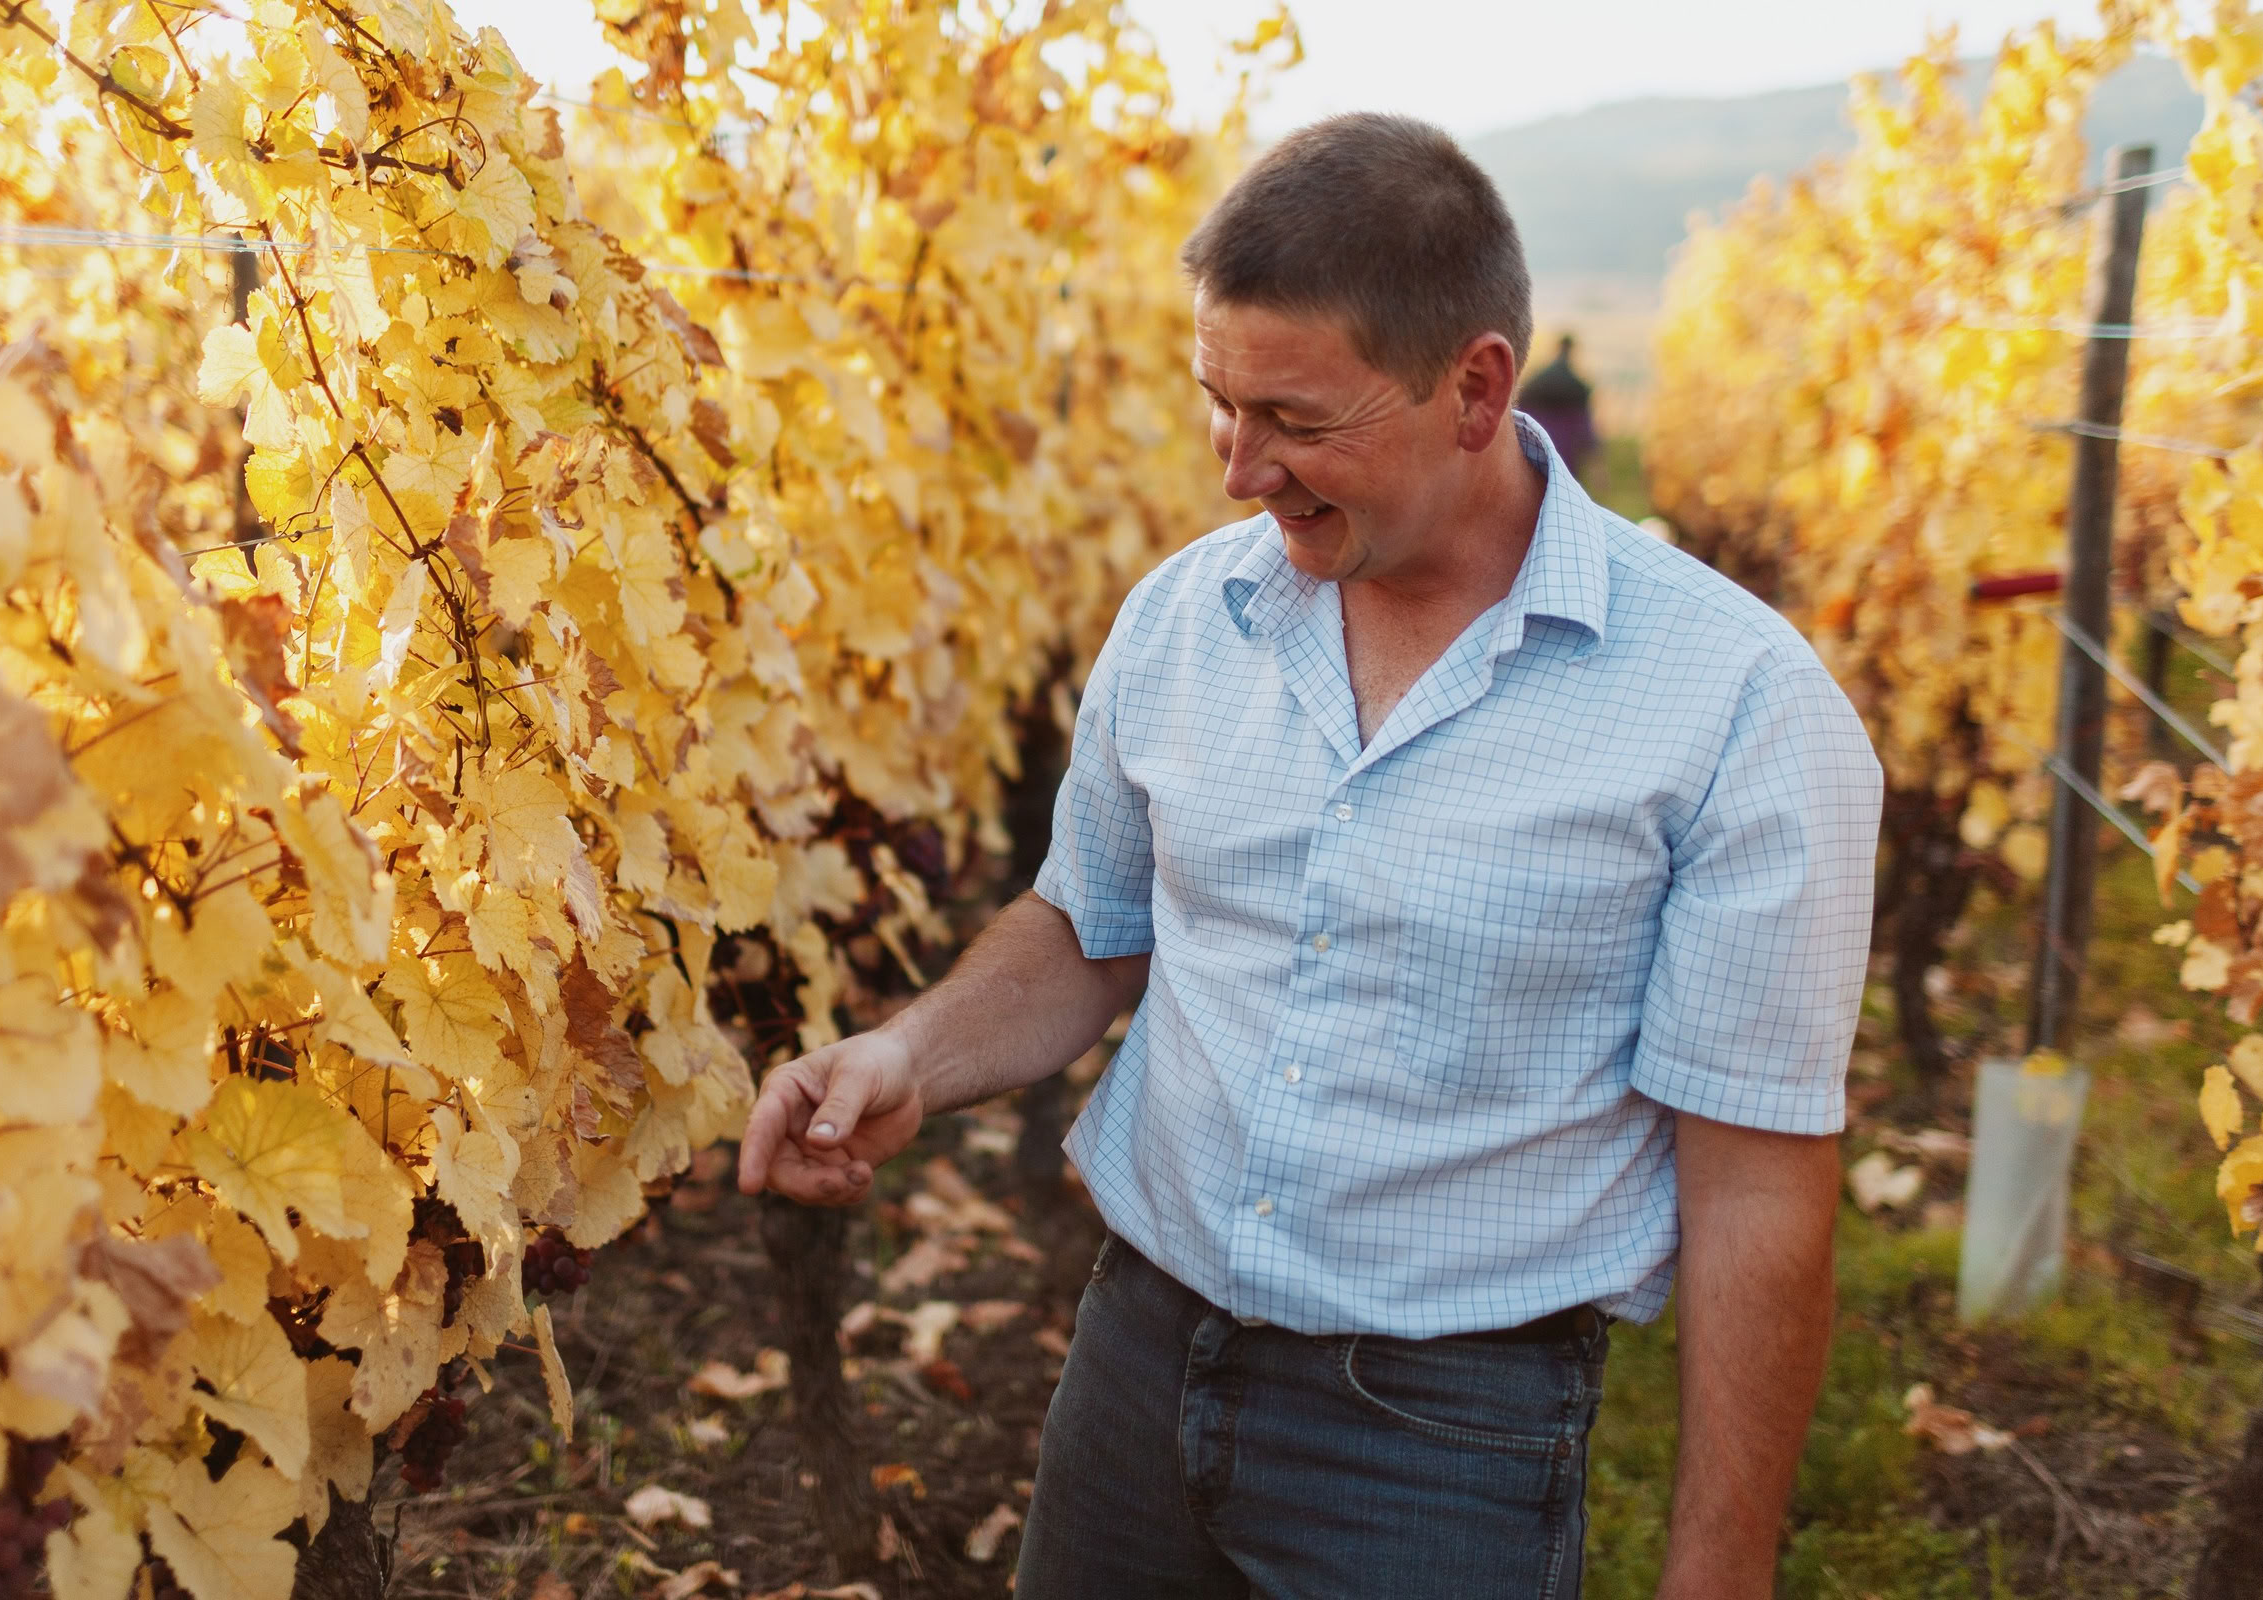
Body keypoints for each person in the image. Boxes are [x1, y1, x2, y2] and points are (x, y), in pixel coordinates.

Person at [739, 111, 1882, 1600]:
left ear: (1477, 388)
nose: (1239, 469)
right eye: (1218, 403)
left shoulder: (1737, 705)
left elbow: (1757, 1181)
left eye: (1293, 417)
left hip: (1440, 1441)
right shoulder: (1183, 616)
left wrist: (1719, 1572)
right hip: (1135, 1357)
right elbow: (1088, 925)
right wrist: (911, 1052)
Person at [1518, 331, 1601, 480]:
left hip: (1535, 450)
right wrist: (1597, 469)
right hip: (1565, 455)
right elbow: (1586, 430)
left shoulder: (1536, 381)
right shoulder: (1577, 386)